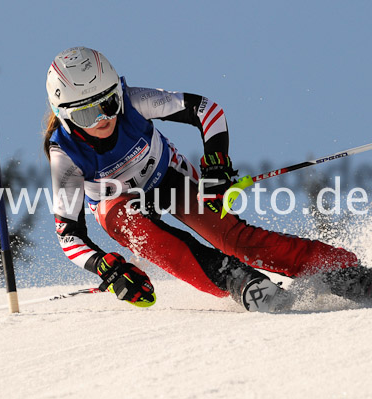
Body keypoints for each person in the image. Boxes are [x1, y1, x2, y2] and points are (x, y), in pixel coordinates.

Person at [43, 46, 371, 312]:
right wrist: (107, 268)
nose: (103, 118)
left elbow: (206, 110)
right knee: (126, 221)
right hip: (118, 204)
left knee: (233, 239)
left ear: (118, 92)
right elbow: (68, 235)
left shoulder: (133, 102)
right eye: (87, 114)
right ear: (64, 115)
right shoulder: (66, 156)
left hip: (170, 178)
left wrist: (216, 165)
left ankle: (341, 270)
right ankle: (235, 279)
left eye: (109, 103)